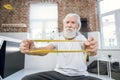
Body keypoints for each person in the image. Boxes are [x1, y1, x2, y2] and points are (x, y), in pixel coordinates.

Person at [20, 13, 101, 80]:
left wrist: (93, 50)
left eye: (73, 23)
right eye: (67, 22)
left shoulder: (81, 38)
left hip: (80, 76)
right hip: (58, 74)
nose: (69, 25)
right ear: (64, 24)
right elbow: (46, 49)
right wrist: (33, 50)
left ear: (78, 26)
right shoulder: (58, 38)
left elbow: (90, 51)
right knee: (27, 79)